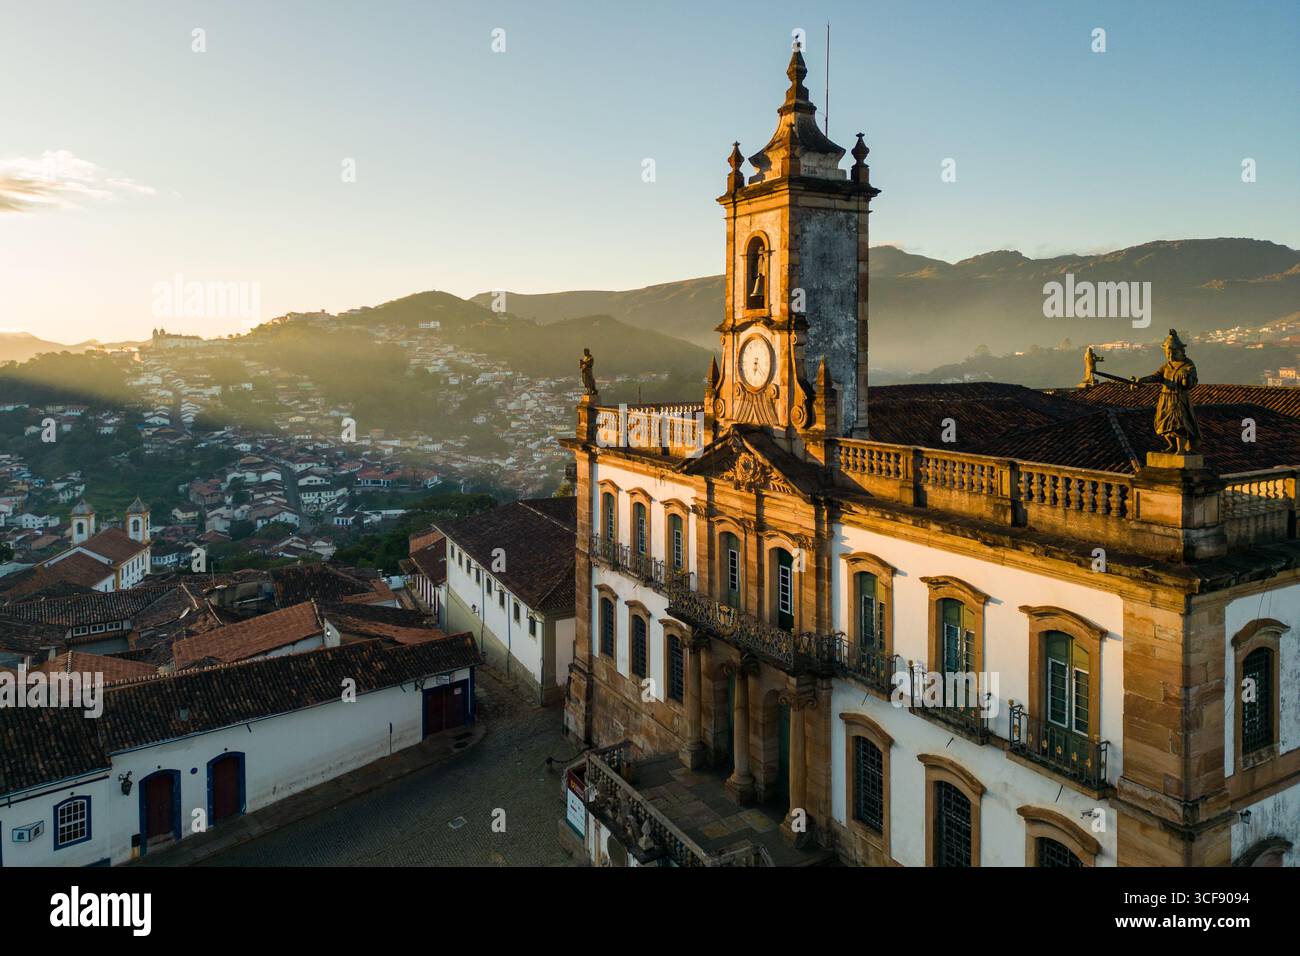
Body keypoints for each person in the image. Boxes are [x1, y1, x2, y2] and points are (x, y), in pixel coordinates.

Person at [1135, 329, 1200, 454]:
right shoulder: (1167, 366)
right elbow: (1156, 376)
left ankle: (1181, 449)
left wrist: (1186, 380)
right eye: (1167, 353)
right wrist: (1141, 380)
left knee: (1178, 424)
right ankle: (1172, 446)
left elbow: (1191, 383)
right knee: (1162, 424)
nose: (1170, 356)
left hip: (1178, 398)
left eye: (1172, 353)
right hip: (1165, 399)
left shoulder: (1188, 366)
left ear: (1181, 351)